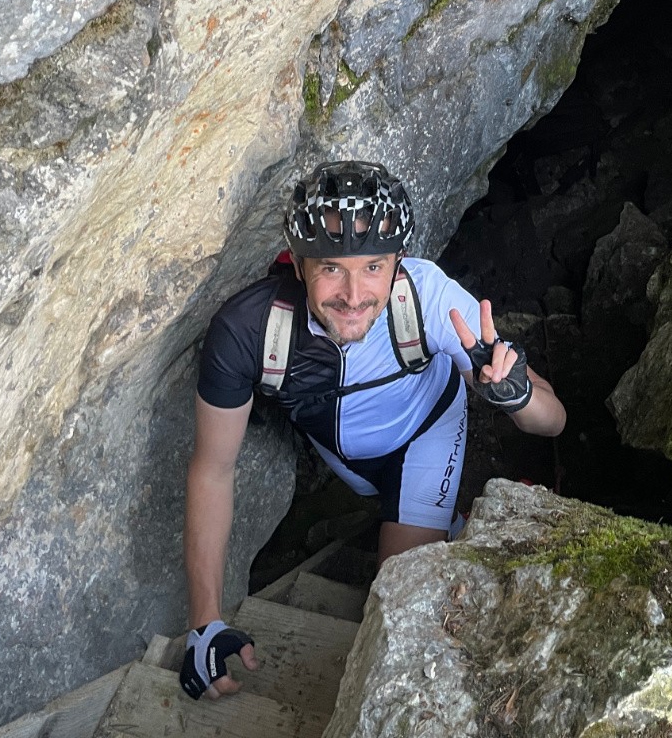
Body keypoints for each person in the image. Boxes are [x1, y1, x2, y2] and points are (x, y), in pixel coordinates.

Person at [179, 160, 565, 700]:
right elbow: (213, 469)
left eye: (374, 267)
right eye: (332, 268)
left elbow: (555, 421)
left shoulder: (427, 297)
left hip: (426, 431)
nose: (353, 294)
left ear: (398, 263)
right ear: (298, 264)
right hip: (345, 456)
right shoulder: (248, 333)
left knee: (397, 601)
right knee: (385, 512)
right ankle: (450, 520)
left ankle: (450, 523)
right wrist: (205, 625)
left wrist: (515, 395)